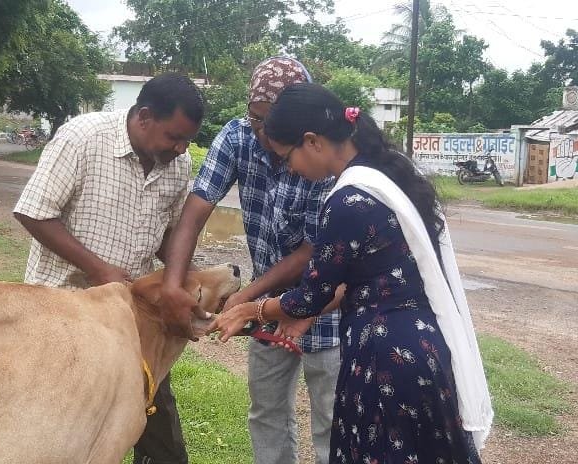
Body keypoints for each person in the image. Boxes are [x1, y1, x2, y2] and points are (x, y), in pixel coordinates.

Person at [209, 83, 493, 464]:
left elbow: (312, 294)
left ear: (312, 142)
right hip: (421, 347)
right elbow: (366, 278)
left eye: (286, 157)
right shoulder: (391, 175)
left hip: (386, 357)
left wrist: (250, 310)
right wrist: (304, 310)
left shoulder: (348, 200)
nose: (289, 168)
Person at [13, 72, 205, 464]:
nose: (181, 147)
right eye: (174, 137)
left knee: (162, 442)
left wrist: (188, 281)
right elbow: (34, 212)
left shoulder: (177, 163)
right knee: (66, 434)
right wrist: (99, 270)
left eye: (187, 140)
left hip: (133, 319)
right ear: (145, 117)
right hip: (65, 316)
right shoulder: (82, 138)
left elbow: (170, 238)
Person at [159, 57, 341, 464]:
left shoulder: (324, 158)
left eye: (270, 122)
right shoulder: (237, 137)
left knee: (331, 419)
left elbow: (312, 250)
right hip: (265, 307)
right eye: (254, 118)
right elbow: (197, 208)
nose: (261, 131)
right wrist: (175, 282)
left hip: (327, 305)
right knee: (266, 412)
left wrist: (248, 301)